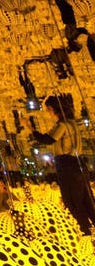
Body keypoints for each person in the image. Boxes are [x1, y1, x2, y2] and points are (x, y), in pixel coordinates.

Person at [28, 94, 95, 234]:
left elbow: (47, 139)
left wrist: (29, 127)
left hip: (68, 166)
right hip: (79, 165)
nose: (47, 112)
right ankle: (90, 228)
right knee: (86, 199)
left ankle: (86, 231)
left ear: (53, 109)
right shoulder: (73, 123)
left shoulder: (63, 125)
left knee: (72, 200)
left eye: (48, 109)